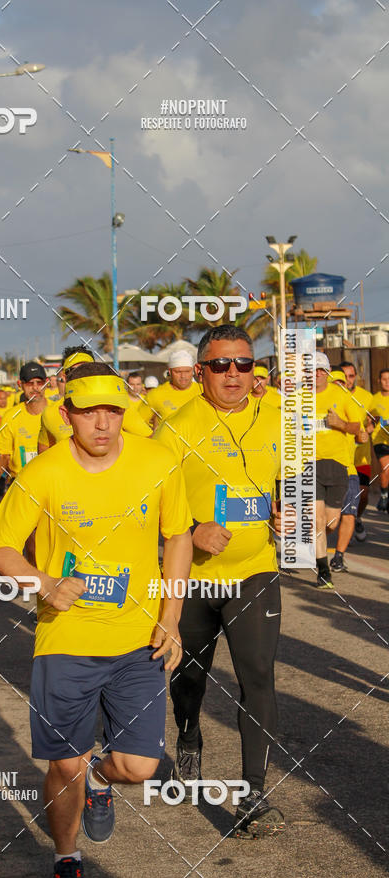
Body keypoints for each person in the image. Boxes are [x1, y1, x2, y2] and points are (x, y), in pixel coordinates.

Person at [0, 362, 192, 878]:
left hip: (137, 638)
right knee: (63, 763)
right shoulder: (45, 472)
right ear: (66, 413)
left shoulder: (158, 461)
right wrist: (44, 583)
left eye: (113, 411)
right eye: (89, 412)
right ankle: (67, 859)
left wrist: (171, 617)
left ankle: (99, 778)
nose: (102, 423)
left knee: (139, 766)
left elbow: (177, 537)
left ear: (125, 413)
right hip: (66, 640)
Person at [156, 324, 287, 839]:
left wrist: (293, 514)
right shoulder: (176, 427)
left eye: (243, 363)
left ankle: (253, 793)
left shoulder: (279, 416)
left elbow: (296, 484)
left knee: (258, 676)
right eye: (219, 365)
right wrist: (191, 528)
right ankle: (188, 735)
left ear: (254, 369)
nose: (232, 374)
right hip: (195, 580)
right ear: (202, 371)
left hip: (255, 571)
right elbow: (149, 507)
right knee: (190, 677)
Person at [326, 367, 370, 571]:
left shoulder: (350, 406)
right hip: (322, 469)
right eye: (336, 383)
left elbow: (361, 433)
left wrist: (363, 435)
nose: (340, 387)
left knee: (349, 513)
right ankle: (315, 549)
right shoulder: (317, 403)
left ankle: (339, 557)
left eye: (343, 383)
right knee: (329, 522)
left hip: (348, 469)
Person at [0, 362, 48, 483]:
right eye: (30, 383)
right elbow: (4, 455)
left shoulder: (58, 411)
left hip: (52, 480)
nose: (35, 388)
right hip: (21, 481)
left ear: (46, 383)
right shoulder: (10, 417)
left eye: (39, 383)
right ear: (20, 385)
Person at [339, 361, 374, 540]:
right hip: (340, 456)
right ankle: (346, 524)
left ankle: (356, 518)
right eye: (344, 376)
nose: (348, 380)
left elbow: (374, 417)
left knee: (363, 495)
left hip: (360, 456)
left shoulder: (367, 397)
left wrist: (370, 427)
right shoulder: (334, 396)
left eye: (351, 376)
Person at [142, 349, 200, 428]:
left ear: (193, 370)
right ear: (170, 371)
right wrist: (151, 435)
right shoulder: (156, 394)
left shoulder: (204, 391)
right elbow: (136, 423)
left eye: (187, 371)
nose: (183, 376)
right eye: (178, 372)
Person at [370, 368, 389, 512]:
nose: (387, 382)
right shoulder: (373, 399)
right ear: (379, 381)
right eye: (384, 379)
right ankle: (384, 496)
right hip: (379, 439)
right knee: (386, 468)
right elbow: (368, 419)